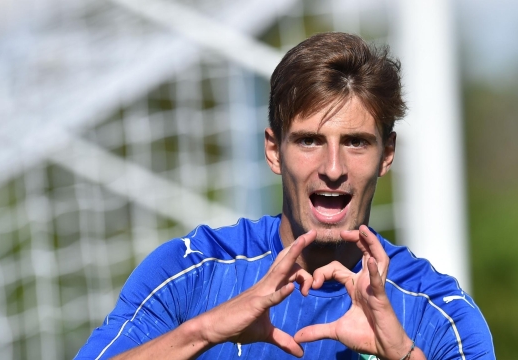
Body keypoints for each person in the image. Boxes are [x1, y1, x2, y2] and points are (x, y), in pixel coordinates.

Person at [75, 32, 495, 360]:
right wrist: (203, 332)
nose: (333, 169)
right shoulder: (192, 273)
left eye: (356, 142)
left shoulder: (440, 313)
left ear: (386, 155)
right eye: (310, 141)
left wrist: (401, 355)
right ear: (274, 151)